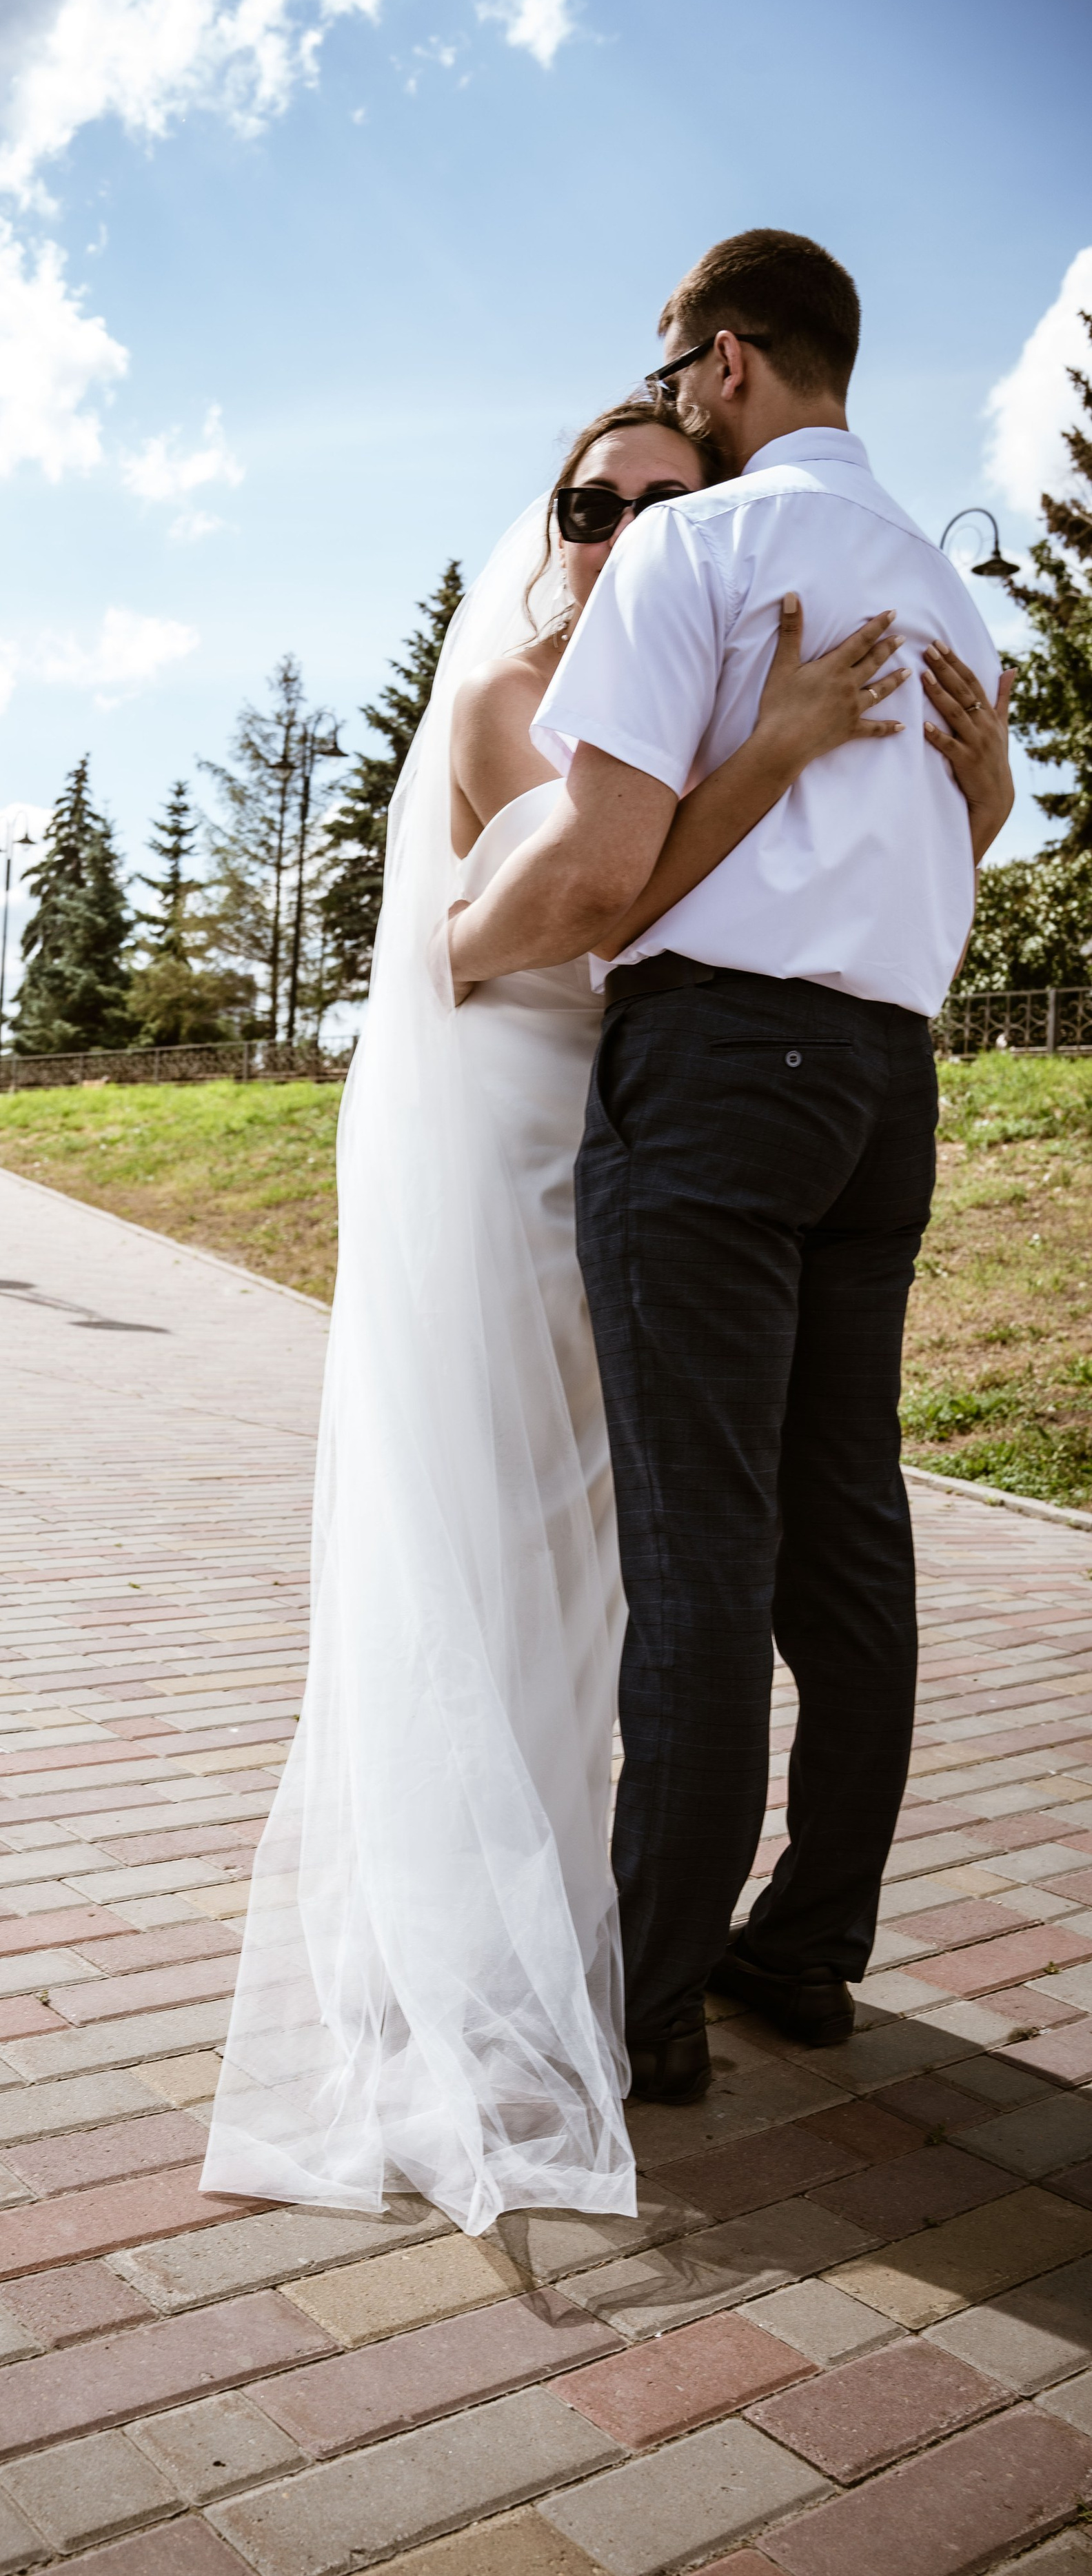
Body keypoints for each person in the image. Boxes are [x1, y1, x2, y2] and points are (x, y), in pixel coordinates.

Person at [203, 344, 1011, 2232]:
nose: (636, 526)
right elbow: (561, 907)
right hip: (525, 1129)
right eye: (597, 502)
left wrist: (954, 785)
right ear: (549, 525)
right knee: (524, 1540)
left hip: (673, 1116)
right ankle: (533, 1932)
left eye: (667, 499)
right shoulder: (508, 698)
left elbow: (835, 879)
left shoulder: (714, 663)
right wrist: (784, 754)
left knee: (652, 1554)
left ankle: (635, 1925)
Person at [447, 231, 1015, 2107]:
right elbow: (953, 837)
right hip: (886, 1083)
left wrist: (451, 948)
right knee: (849, 1528)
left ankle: (655, 1992)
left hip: (718, 1067)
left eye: (685, 364)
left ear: (739, 359)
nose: (679, 392)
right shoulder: (948, 587)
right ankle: (813, 1944)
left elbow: (602, 871)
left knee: (704, 1543)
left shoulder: (699, 550)